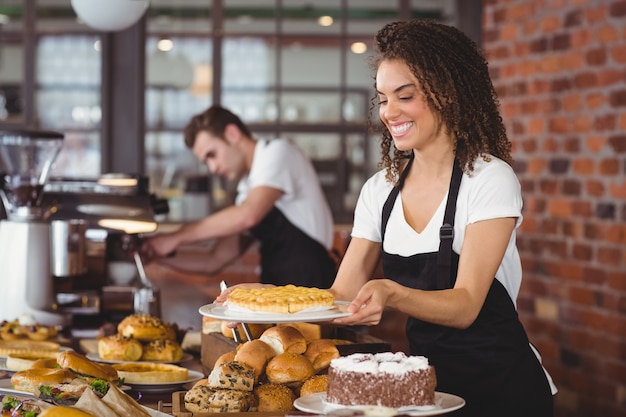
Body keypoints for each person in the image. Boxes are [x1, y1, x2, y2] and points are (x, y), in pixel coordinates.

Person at [326, 20, 557, 416]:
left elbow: (466, 305)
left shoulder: (488, 179)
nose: (389, 112)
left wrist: (392, 292)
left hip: (505, 392)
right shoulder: (379, 191)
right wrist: (258, 302)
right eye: (383, 98)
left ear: (446, 94)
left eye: (405, 96)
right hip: (430, 396)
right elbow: (339, 297)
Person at [140, 105, 336, 289]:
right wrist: (156, 254)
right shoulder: (247, 191)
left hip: (313, 293)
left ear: (232, 134)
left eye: (212, 154)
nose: (213, 168)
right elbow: (214, 260)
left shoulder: (277, 152)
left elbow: (248, 215)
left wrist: (177, 236)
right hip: (276, 299)